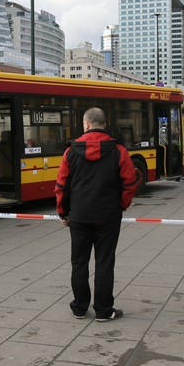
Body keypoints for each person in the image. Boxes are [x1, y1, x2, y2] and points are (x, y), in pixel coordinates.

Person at [55, 107, 137, 322]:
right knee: (105, 262)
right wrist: (122, 205)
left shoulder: (70, 151)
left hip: (79, 215)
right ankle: (103, 310)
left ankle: (79, 307)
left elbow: (62, 185)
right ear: (104, 124)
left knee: (79, 262)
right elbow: (130, 182)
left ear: (86, 124)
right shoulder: (119, 150)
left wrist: (63, 212)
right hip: (108, 216)